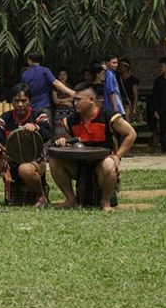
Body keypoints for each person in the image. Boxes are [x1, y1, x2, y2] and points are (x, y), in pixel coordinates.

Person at [50, 82, 137, 211]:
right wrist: (64, 141)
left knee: (108, 164)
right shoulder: (71, 121)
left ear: (91, 100)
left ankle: (105, 202)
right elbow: (72, 141)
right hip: (80, 165)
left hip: (102, 164)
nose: (75, 103)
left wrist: (118, 156)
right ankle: (70, 199)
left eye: (79, 100)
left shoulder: (108, 116)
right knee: (55, 161)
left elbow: (131, 133)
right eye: (74, 100)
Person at [0, 84, 51, 208]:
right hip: (10, 162)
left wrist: (36, 128)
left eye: (24, 101)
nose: (20, 104)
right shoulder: (5, 118)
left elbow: (47, 134)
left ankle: (41, 196)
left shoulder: (38, 115)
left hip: (34, 162)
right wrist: (3, 153)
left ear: (30, 101)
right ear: (11, 101)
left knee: (25, 169)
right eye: (16, 101)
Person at [21, 51, 75, 116]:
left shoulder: (25, 74)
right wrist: (71, 92)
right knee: (45, 125)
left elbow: (23, 91)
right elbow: (55, 83)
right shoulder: (45, 71)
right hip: (44, 105)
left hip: (31, 107)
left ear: (29, 60)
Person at [152, 57, 166, 154]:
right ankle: (164, 149)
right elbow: (155, 96)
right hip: (162, 109)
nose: (160, 68)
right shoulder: (158, 81)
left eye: (162, 66)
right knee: (163, 129)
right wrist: (155, 110)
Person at [52, 68, 74, 139]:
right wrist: (67, 103)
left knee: (68, 130)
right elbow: (56, 101)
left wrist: (61, 100)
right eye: (60, 75)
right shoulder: (55, 87)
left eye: (64, 74)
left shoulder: (70, 87)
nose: (62, 76)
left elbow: (73, 98)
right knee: (58, 132)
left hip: (69, 112)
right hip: (59, 113)